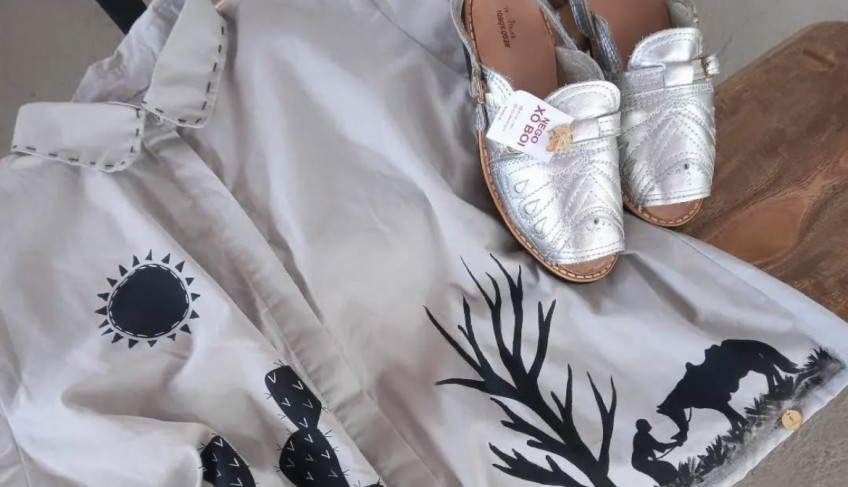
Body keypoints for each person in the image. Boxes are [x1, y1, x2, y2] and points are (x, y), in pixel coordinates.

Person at [632, 419, 680, 485]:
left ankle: (666, 483)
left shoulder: (642, 435)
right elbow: (659, 446)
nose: (649, 426)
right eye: (646, 424)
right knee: (666, 468)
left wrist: (675, 444)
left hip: (639, 463)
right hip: (641, 463)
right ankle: (672, 482)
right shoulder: (643, 436)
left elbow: (653, 448)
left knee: (662, 471)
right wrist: (675, 444)